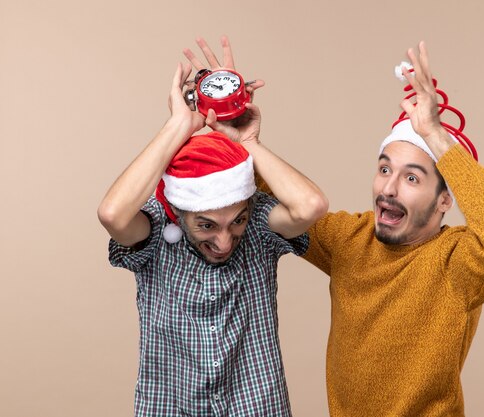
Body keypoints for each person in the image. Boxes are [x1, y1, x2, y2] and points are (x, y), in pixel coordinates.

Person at [97, 36, 328, 417]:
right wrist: (179, 125)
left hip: (257, 406)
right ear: (178, 210)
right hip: (170, 407)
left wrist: (246, 141)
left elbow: (311, 205)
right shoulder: (155, 232)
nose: (224, 240)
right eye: (206, 225)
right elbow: (112, 215)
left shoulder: (259, 226)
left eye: (235, 221)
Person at [296, 42, 484, 416]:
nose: (388, 188)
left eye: (412, 179)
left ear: (443, 201)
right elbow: (275, 200)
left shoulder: (458, 263)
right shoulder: (349, 240)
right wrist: (240, 139)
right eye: (385, 169)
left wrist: (435, 134)